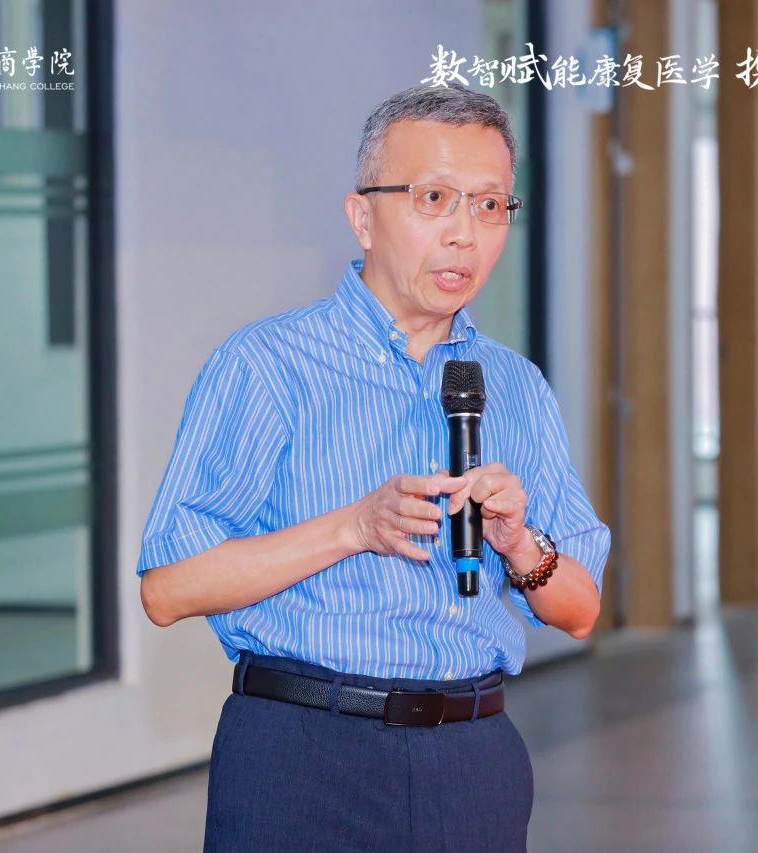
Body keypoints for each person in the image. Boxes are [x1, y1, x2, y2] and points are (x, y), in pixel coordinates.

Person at [136, 83, 610, 852]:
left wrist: (521, 544)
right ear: (363, 217)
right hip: (303, 753)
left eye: (491, 205)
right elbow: (168, 588)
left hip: (473, 756)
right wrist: (354, 526)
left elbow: (581, 609)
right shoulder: (268, 366)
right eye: (435, 199)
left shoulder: (516, 386)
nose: (465, 234)